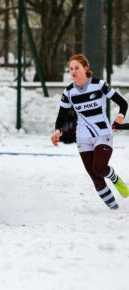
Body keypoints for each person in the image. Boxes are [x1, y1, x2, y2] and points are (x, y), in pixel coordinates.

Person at [52, 53, 129, 209]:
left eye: (77, 68)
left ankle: (115, 178)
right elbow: (62, 115)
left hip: (103, 134)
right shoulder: (68, 92)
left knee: (100, 168)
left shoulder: (99, 85)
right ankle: (114, 209)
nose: (73, 71)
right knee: (95, 177)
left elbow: (123, 103)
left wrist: (120, 117)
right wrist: (57, 131)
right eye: (71, 69)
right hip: (83, 137)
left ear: (86, 69)